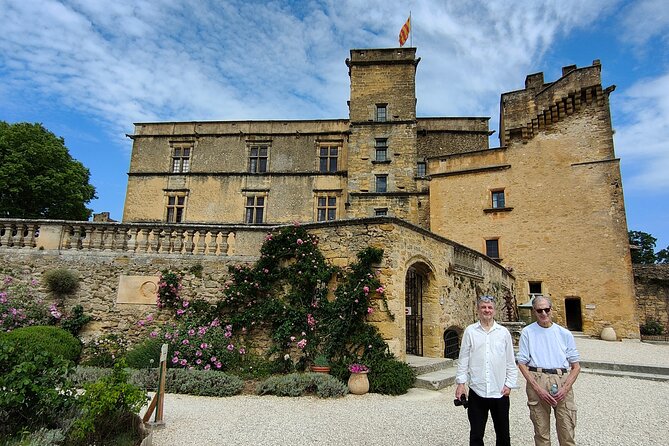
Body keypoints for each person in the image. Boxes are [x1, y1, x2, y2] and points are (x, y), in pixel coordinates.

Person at [517, 295, 581, 446]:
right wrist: (537, 388)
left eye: (547, 309)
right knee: (541, 432)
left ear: (551, 309)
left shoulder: (564, 333)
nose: (544, 313)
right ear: (534, 311)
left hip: (561, 378)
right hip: (537, 377)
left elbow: (576, 366)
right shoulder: (527, 332)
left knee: (567, 430)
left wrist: (565, 388)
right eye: (540, 310)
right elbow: (522, 363)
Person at [455, 295, 517, 446]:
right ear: (478, 310)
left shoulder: (503, 333)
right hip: (478, 390)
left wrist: (509, 384)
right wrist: (461, 383)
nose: (487, 310)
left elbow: (510, 361)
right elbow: (463, 359)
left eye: (490, 308)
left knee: (503, 435)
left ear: (494, 311)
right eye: (483, 307)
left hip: (499, 391)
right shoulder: (470, 331)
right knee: (476, 435)